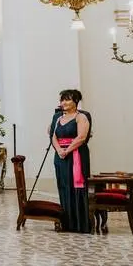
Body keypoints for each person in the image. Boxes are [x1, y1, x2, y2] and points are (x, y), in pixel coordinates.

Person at [49, 89, 92, 234]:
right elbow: (52, 135)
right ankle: (66, 222)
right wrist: (59, 150)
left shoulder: (81, 117)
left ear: (75, 102)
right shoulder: (57, 117)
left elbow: (81, 137)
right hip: (60, 155)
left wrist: (67, 150)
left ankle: (79, 224)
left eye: (67, 99)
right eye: (62, 100)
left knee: (76, 187)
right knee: (63, 185)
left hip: (76, 155)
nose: (64, 103)